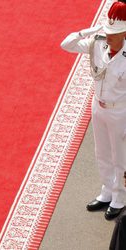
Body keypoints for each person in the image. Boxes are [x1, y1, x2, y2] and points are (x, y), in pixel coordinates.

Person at [61, 1, 126, 220]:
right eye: (106, 31)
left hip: (120, 111)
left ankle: (120, 197)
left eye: (113, 33)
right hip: (98, 106)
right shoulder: (98, 43)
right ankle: (107, 191)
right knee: (102, 152)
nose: (108, 36)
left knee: (121, 157)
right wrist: (89, 31)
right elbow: (66, 44)